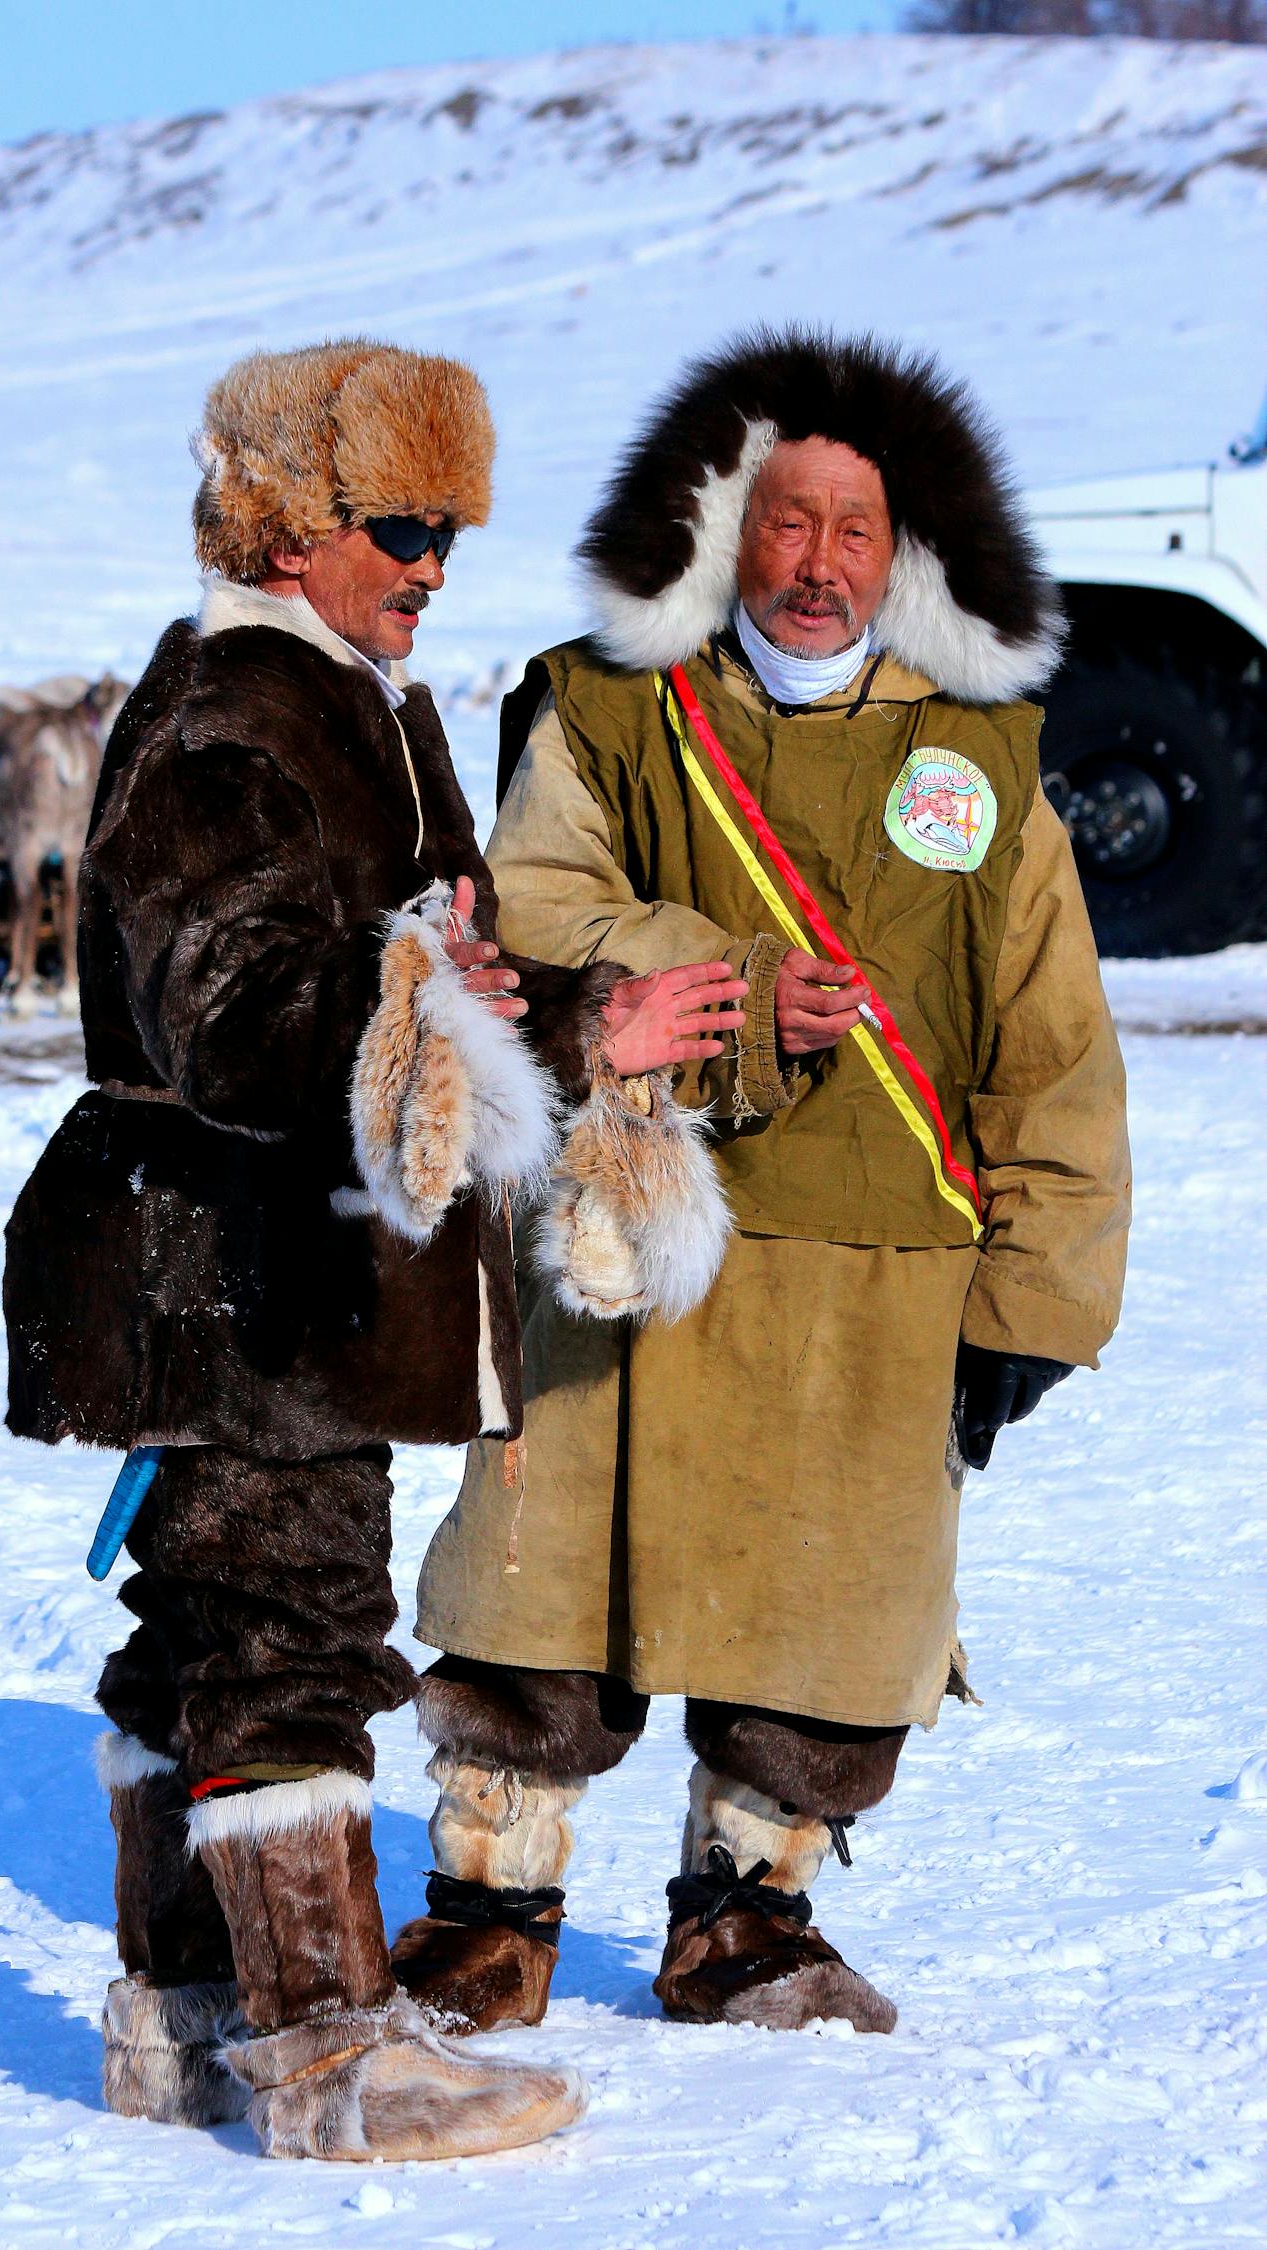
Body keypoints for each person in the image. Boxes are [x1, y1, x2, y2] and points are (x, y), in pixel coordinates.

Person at [2, 338, 744, 2161]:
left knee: (213, 1627)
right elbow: (229, 1012)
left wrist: (594, 1026)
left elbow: (450, 992)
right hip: (229, 1269)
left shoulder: (369, 707)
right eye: (401, 524)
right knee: (285, 1628)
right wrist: (415, 994)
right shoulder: (229, 719)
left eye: (452, 532)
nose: (432, 563)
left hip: (298, 1266)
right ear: (287, 525)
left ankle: (184, 2018)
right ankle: (329, 2047)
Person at [397, 329, 1131, 2041]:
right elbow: (540, 909)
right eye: (786, 526)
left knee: (827, 1606)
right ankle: (489, 1908)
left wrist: (1033, 1302)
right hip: (624, 1245)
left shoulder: (982, 767)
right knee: (547, 1585)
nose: (816, 567)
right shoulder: (609, 714)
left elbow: (1057, 1050)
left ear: (910, 550)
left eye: (854, 533)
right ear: (722, 534)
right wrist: (730, 976)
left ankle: (749, 1919)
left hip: (877, 1265)